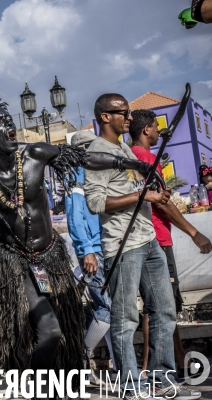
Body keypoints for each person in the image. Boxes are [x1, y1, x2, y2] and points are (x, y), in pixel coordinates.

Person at [0, 94, 158, 396]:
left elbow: (83, 158)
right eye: (0, 122)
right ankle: (32, 387)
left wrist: (129, 162)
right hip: (13, 263)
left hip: (51, 256)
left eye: (9, 118)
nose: (9, 122)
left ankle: (53, 385)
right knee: (48, 331)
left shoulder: (35, 154)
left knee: (67, 332)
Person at [83, 93, 200, 400]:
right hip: (123, 247)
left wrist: (153, 194)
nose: (129, 118)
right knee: (125, 319)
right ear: (105, 116)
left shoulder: (124, 148)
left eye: (129, 113)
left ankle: (163, 381)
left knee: (164, 311)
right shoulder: (97, 152)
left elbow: (138, 189)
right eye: (123, 113)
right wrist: (141, 197)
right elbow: (95, 203)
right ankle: (129, 385)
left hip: (148, 241)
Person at [129, 109, 212, 379]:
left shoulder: (137, 156)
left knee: (166, 306)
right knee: (159, 307)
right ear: (146, 131)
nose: (158, 131)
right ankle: (153, 369)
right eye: (155, 126)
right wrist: (193, 232)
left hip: (153, 237)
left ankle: (177, 360)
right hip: (156, 238)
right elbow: (161, 204)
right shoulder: (144, 157)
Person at [65, 130, 116, 383]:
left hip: (104, 247)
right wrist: (87, 251)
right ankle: (81, 356)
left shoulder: (92, 174)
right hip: (93, 251)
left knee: (108, 308)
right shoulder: (76, 176)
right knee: (106, 308)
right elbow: (74, 219)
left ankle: (103, 364)